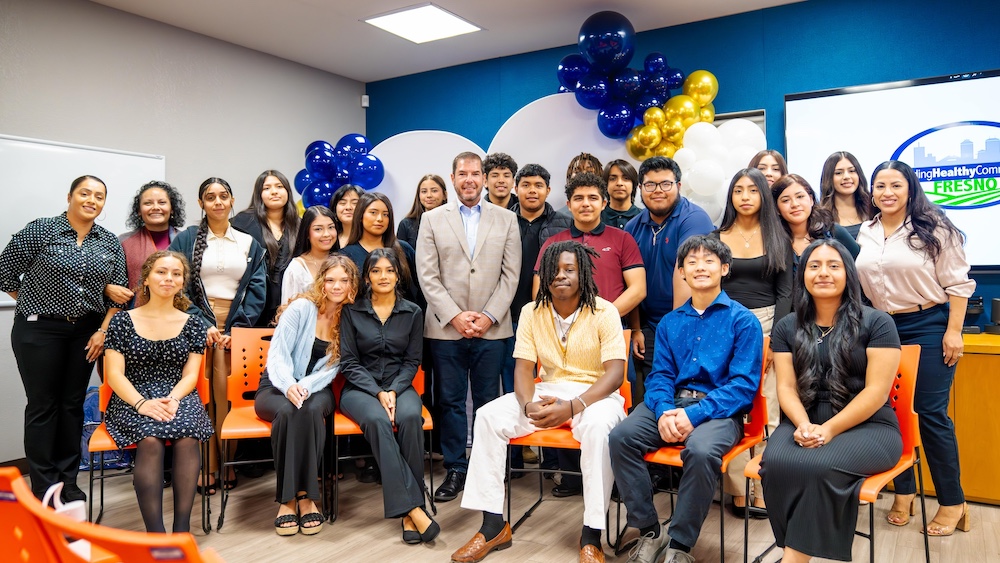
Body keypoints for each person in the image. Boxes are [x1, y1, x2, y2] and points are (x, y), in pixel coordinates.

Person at [452, 241, 628, 563]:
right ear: (544, 276)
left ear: (583, 273)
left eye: (570, 270)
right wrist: (528, 404)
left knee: (599, 427)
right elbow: (522, 368)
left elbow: (615, 374)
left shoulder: (605, 311)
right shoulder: (531, 312)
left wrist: (574, 406)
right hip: (547, 390)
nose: (561, 276)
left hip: (596, 396)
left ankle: (592, 536)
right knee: (488, 415)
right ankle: (493, 526)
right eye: (555, 270)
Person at [609, 235, 762, 563]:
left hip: (720, 410)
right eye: (691, 262)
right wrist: (665, 412)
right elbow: (660, 376)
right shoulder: (669, 323)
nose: (700, 267)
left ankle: (679, 545)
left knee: (702, 450)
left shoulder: (742, 320)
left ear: (724, 268)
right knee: (621, 437)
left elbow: (742, 387)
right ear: (681, 271)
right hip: (671, 403)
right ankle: (651, 531)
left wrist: (694, 416)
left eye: (709, 261)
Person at [761, 239, 903, 562]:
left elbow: (876, 393)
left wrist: (829, 430)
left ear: (848, 274)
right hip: (806, 419)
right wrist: (803, 424)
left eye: (833, 266)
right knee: (775, 463)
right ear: (803, 276)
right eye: (814, 266)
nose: (823, 273)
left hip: (870, 426)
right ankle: (797, 551)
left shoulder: (878, 323)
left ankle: (793, 559)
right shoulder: (787, 326)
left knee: (818, 465)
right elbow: (786, 387)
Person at [856, 160, 975, 536]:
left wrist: (954, 331)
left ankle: (953, 502)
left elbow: (958, 284)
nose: (886, 193)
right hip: (882, 327)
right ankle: (903, 493)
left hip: (928, 324)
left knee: (929, 414)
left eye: (895, 185)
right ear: (871, 192)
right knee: (887, 412)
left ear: (910, 188)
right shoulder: (866, 230)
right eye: (879, 186)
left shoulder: (933, 226)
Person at [2, 175, 128, 500]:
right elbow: (4, 273)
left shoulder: (108, 241)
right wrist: (36, 300)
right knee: (43, 406)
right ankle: (43, 485)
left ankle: (68, 481)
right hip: (38, 329)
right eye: (85, 193)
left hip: (87, 332)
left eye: (99, 196)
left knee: (72, 405)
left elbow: (119, 295)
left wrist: (102, 330)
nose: (92, 200)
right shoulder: (41, 229)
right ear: (70, 195)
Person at [415, 151, 520, 503]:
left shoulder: (506, 219)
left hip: (494, 328)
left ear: (485, 178)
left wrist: (488, 315)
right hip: (446, 329)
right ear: (454, 177)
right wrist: (456, 315)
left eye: (476, 173)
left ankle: (489, 468)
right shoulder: (432, 219)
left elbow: (511, 276)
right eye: (463, 174)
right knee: (450, 401)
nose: (470, 179)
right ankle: (456, 468)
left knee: (490, 402)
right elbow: (427, 276)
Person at [533, 171, 645, 497]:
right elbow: (540, 293)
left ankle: (614, 477)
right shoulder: (554, 244)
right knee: (563, 397)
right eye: (579, 198)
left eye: (593, 197)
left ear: (604, 202)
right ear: (568, 204)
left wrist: (600, 319)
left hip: (612, 336)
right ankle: (571, 476)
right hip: (562, 338)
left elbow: (637, 289)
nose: (586, 204)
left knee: (614, 404)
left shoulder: (622, 239)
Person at [168, 177, 267, 495]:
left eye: (223, 196)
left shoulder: (248, 242)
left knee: (229, 400)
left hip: (235, 334)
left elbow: (257, 289)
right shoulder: (186, 240)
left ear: (232, 200)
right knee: (199, 400)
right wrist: (202, 324)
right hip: (196, 332)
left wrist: (236, 332)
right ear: (201, 204)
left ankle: (227, 464)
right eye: (210, 197)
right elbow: (175, 286)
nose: (218, 202)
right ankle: (205, 467)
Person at [104, 251, 213, 533]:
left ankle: (181, 530)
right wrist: (141, 404)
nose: (169, 278)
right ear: (146, 279)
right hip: (132, 395)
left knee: (188, 436)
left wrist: (175, 399)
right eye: (161, 272)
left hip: (178, 393)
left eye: (176, 274)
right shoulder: (122, 321)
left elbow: (191, 374)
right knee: (150, 439)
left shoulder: (193, 324)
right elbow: (114, 374)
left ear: (182, 283)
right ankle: (156, 535)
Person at [339, 248, 440, 544]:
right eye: (376, 271)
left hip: (400, 385)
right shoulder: (352, 310)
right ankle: (414, 508)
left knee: (410, 416)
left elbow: (412, 362)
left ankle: (410, 515)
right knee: (377, 420)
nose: (383, 276)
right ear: (367, 276)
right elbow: (348, 362)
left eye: (389, 271)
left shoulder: (412, 312)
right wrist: (378, 392)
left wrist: (394, 389)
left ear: (398, 275)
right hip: (360, 388)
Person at [254, 254, 357, 536]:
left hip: (318, 388)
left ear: (352, 285)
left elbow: (333, 369)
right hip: (275, 385)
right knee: (288, 411)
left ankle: (307, 495)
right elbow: (277, 356)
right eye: (331, 279)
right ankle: (289, 499)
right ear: (321, 281)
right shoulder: (301, 307)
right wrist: (288, 385)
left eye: (344, 280)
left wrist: (305, 387)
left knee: (309, 410)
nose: (337, 286)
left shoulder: (350, 318)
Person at [711, 168, 792, 516]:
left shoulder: (778, 238)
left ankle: (768, 486)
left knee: (770, 408)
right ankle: (740, 490)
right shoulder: (715, 237)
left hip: (769, 325)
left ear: (763, 196)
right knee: (733, 408)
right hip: (725, 326)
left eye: (752, 191)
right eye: (738, 190)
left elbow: (786, 291)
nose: (745, 196)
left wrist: (776, 338)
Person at [624, 156, 714, 406]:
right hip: (649, 326)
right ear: (640, 188)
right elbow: (631, 282)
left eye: (665, 184)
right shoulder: (633, 227)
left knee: (687, 393)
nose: (658, 191)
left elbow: (685, 273)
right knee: (653, 392)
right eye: (650, 185)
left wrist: (675, 334)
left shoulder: (694, 218)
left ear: (679, 186)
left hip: (691, 323)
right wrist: (636, 328)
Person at [505, 163, 572, 471]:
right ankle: (515, 461)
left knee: (551, 384)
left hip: (549, 317)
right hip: (507, 315)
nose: (532, 190)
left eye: (538, 185)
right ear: (516, 189)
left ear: (548, 190)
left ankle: (554, 463)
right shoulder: (503, 220)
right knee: (513, 384)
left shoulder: (564, 222)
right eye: (526, 184)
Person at [232, 170, 300, 327]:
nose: (274, 191)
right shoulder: (243, 222)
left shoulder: (300, 225)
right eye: (267, 188)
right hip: (251, 305)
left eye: (279, 186)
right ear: (259, 194)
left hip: (289, 306)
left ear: (288, 191)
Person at [114, 180, 186, 308]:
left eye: (162, 202)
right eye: (148, 203)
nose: (155, 207)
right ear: (139, 211)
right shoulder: (124, 242)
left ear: (172, 209)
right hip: (136, 316)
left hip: (179, 315)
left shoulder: (186, 240)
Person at [339, 191, 419, 305]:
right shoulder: (346, 255)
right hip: (361, 320)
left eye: (385, 214)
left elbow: (419, 291)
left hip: (405, 319)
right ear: (360, 216)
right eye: (373, 213)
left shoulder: (404, 249)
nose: (380, 219)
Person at [771, 174, 860, 270]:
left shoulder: (833, 231)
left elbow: (860, 268)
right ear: (776, 208)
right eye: (786, 200)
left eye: (800, 196)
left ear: (811, 199)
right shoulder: (772, 241)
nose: (795, 204)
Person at [281, 206, 338, 304]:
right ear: (307, 233)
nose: (326, 234)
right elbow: (288, 310)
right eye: (318, 229)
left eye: (331, 227)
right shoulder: (297, 268)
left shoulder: (342, 261)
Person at [818, 151, 875, 239]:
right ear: (828, 178)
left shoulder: (874, 210)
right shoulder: (820, 217)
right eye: (838, 173)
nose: (846, 177)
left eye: (852, 171)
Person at [397, 174, 447, 250]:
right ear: (419, 195)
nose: (429, 195)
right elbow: (400, 257)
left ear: (444, 195)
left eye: (434, 191)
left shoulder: (452, 222)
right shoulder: (406, 224)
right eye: (424, 191)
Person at [601, 159, 641, 229]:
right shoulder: (596, 218)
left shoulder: (644, 217)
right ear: (606, 184)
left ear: (633, 184)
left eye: (626, 178)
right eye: (613, 179)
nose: (619, 183)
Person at [329, 184, 363, 250]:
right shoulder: (329, 238)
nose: (348, 207)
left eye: (355, 203)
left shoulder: (370, 238)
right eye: (343, 203)